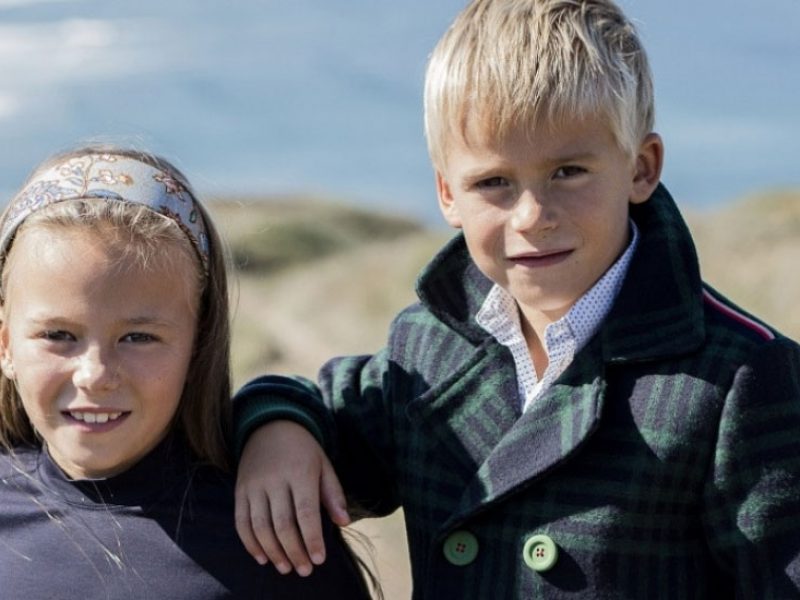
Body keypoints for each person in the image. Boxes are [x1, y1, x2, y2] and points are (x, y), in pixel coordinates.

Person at [232, 0, 800, 597]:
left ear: (641, 167)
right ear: (448, 194)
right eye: (493, 183)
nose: (532, 216)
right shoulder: (428, 346)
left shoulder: (745, 376)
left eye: (569, 171)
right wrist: (276, 425)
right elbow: (321, 409)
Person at [0, 147, 372, 599]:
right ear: (6, 345)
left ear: (198, 346)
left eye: (138, 337)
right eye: (58, 334)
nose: (95, 375)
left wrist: (279, 420)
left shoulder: (275, 541)